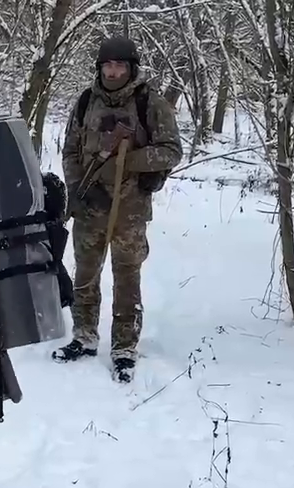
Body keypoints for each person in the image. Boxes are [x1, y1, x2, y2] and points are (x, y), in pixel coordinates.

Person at [53, 36, 182, 383]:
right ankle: (84, 336)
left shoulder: (149, 103)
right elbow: (69, 150)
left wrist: (128, 164)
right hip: (90, 206)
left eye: (120, 65)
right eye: (107, 65)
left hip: (130, 210)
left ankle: (124, 346)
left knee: (127, 279)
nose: (113, 71)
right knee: (85, 275)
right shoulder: (85, 102)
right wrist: (77, 188)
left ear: (131, 68)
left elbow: (171, 150)